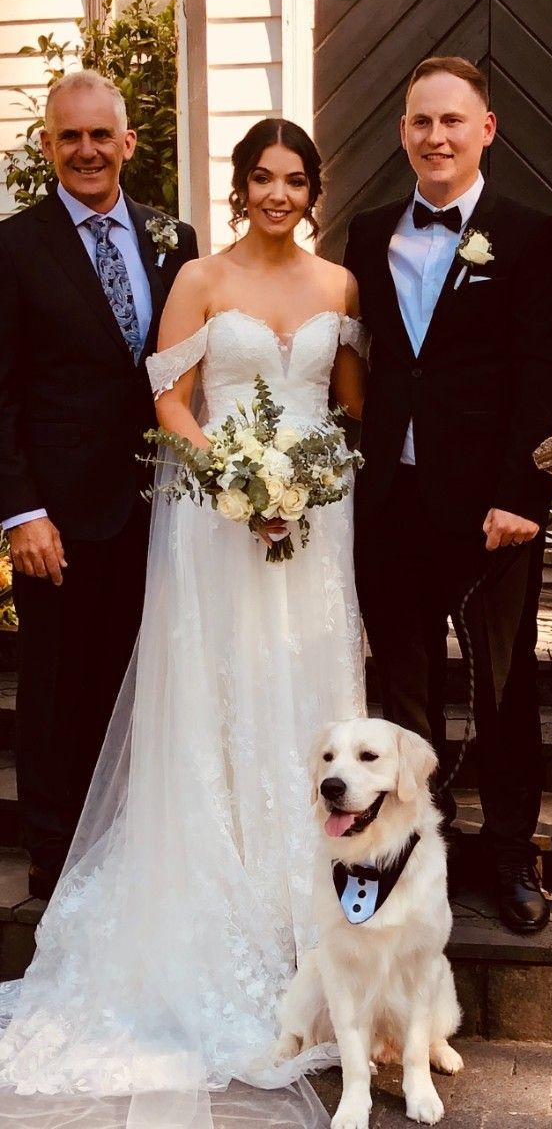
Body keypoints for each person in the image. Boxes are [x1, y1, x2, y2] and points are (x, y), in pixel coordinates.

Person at [0, 117, 367, 1128]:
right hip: (216, 516)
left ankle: (309, 899)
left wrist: (307, 481)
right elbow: (166, 397)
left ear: (313, 189)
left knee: (305, 692)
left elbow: (345, 404)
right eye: (263, 178)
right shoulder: (199, 275)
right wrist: (237, 478)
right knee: (221, 692)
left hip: (314, 527)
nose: (278, 194)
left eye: (295, 179)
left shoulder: (340, 287)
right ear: (241, 184)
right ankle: (221, 889)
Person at [345, 56, 552, 934]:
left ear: (486, 129)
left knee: (503, 690)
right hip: (390, 502)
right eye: (418, 122)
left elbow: (539, 371)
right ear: (402, 132)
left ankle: (513, 857)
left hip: (492, 511)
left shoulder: (522, 234)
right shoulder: (367, 232)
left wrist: (521, 491)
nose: (434, 137)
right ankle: (409, 855)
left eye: (451, 121)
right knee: (400, 691)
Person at [0, 70, 198, 901]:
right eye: (67, 136)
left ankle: (129, 846)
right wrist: (21, 511)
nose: (86, 150)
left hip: (162, 510)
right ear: (48, 146)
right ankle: (56, 856)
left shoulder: (173, 241)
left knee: (145, 684)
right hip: (61, 514)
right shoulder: (12, 247)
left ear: (127, 142)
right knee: (56, 689)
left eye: (99, 135)